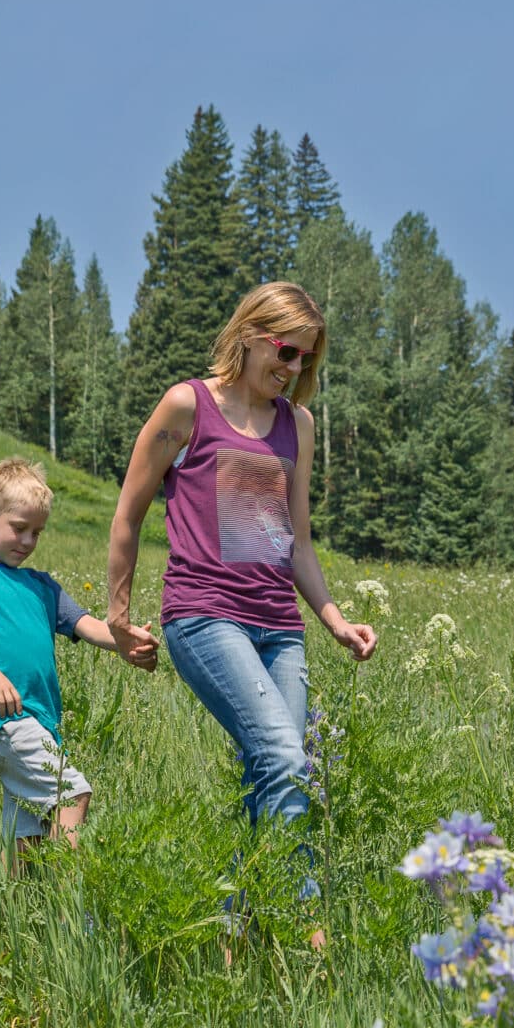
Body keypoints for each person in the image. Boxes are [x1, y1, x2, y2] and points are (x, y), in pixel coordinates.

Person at [105, 282, 378, 945]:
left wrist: (335, 619)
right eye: (285, 352)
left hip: (279, 626)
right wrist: (118, 614)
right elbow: (128, 513)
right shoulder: (187, 405)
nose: (291, 370)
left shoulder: (298, 426)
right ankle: (303, 925)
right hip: (204, 617)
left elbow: (299, 541)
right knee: (286, 760)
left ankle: (237, 930)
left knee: (286, 772)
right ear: (250, 333)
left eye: (305, 362)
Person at [0, 457, 143, 868]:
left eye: (36, 533)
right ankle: (69, 902)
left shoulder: (41, 585)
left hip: (43, 721)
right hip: (4, 719)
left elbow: (85, 624)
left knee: (29, 838)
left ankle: (9, 915)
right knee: (72, 792)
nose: (27, 541)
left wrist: (123, 641)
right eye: (19, 528)